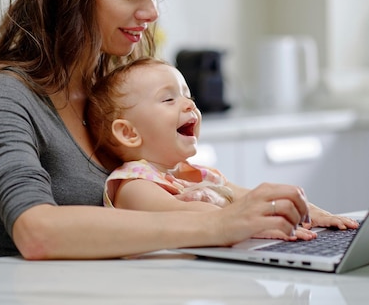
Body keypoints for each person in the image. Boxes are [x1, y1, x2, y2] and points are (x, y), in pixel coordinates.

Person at [0, 0, 351, 261]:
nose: (152, 11)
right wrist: (219, 224)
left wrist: (279, 210)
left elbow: (178, 182)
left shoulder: (106, 91)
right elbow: (36, 231)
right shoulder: (5, 94)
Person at [86, 57, 358, 238]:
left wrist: (306, 212)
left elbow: (250, 198)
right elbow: (187, 217)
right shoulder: (134, 186)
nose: (189, 104)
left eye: (188, 96)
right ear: (129, 133)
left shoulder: (199, 176)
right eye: (168, 99)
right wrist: (258, 224)